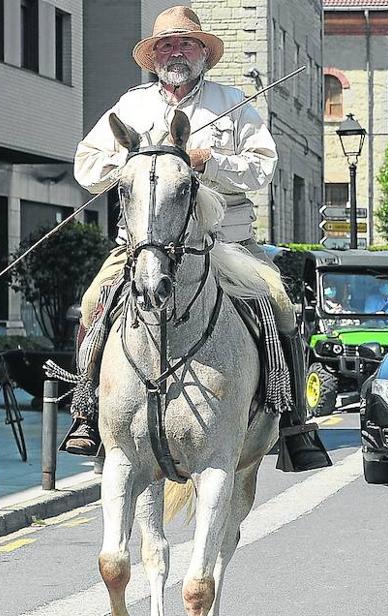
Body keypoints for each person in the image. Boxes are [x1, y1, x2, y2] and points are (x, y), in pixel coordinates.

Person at [60, 6, 330, 472]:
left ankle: (294, 423)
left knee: (281, 308)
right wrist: (134, 165)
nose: (175, 52)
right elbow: (85, 164)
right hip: (141, 245)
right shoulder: (131, 106)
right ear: (153, 55)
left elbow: (264, 167)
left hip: (225, 243)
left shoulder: (233, 102)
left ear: (203, 51)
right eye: (166, 44)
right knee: (91, 305)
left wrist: (209, 161)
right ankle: (87, 410)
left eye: (185, 43)